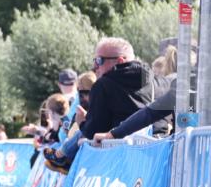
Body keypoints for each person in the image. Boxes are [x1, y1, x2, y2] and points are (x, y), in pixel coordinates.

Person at [44, 38, 168, 173]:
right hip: (160, 157)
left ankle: (62, 157)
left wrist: (82, 122)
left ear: (120, 60)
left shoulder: (103, 85)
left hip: (121, 164)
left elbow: (93, 132)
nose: (95, 66)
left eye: (99, 60)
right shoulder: (160, 82)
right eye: (95, 60)